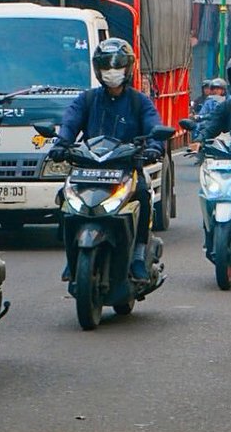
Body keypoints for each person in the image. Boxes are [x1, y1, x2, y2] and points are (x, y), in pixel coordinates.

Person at [51, 37, 165, 281]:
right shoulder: (88, 100)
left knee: (144, 196)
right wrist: (61, 144)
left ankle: (138, 254)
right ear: (98, 70)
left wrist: (155, 146)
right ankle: (72, 256)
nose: (111, 73)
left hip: (126, 168)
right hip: (88, 169)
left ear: (128, 69)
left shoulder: (139, 101)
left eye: (117, 67)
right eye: (106, 67)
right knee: (65, 199)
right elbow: (70, 122)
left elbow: (154, 125)